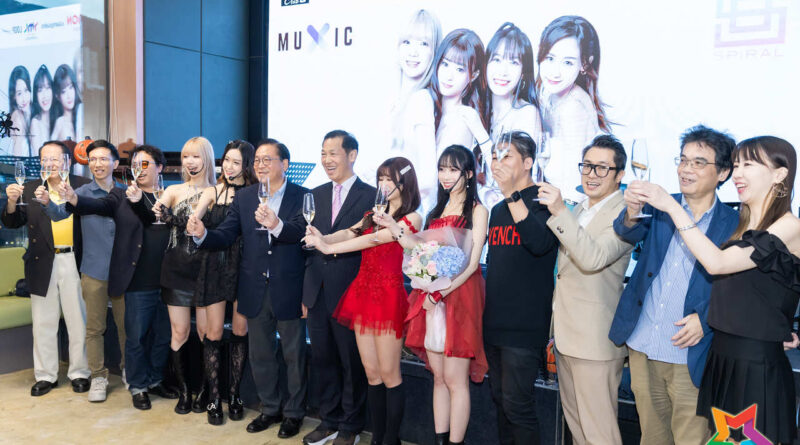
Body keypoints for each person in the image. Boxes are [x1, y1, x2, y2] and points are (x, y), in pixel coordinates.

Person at [634, 136, 800, 445]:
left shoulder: (789, 225)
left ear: (780, 174)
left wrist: (671, 206)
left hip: (755, 369)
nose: (738, 173)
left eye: (749, 164)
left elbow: (717, 264)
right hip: (723, 362)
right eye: (736, 165)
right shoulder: (744, 225)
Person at [608, 125, 738, 445]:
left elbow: (740, 287)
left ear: (723, 173)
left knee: (691, 438)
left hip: (690, 354)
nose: (685, 169)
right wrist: (632, 211)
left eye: (698, 162)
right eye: (683, 160)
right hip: (644, 343)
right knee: (651, 437)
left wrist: (707, 318)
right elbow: (627, 232)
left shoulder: (735, 223)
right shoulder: (660, 206)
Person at [188, 139, 309, 435]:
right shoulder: (245, 198)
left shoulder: (303, 195)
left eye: (268, 160)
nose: (260, 165)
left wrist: (276, 225)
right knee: (261, 354)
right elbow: (227, 233)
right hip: (254, 287)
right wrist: (204, 234)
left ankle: (294, 413)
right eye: (257, 161)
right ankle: (270, 409)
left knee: (294, 355)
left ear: (285, 164)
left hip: (289, 287)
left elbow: (301, 233)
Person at [305, 157, 422, 445]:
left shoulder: (412, 217)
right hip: (363, 293)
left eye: (389, 179)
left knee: (390, 374)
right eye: (381, 178)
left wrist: (328, 249)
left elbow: (373, 240)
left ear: (404, 183)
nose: (383, 184)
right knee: (371, 373)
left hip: (388, 295)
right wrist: (324, 237)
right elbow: (352, 231)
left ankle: (390, 440)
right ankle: (377, 437)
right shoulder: (374, 212)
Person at [377, 145, 488, 445]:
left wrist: (440, 294)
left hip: (460, 297)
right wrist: (394, 227)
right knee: (438, 377)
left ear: (468, 173)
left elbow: (472, 263)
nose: (445, 175)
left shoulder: (478, 210)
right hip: (432, 297)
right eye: (441, 169)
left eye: (453, 169)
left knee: (455, 379)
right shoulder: (435, 211)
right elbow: (417, 247)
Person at [61, 144, 177, 410]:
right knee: (135, 337)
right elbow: (97, 205)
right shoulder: (121, 195)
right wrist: (74, 199)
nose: (139, 169)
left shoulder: (171, 196)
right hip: (137, 279)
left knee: (162, 336)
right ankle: (137, 386)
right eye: (135, 164)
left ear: (160, 167)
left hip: (168, 279)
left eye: (145, 164)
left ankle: (155, 379)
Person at [535, 135, 632, 445]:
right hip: (566, 336)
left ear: (619, 175)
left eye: (602, 168)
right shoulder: (579, 209)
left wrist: (559, 210)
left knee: (599, 434)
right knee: (577, 429)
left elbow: (593, 258)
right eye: (587, 166)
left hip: (595, 341)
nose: (592, 174)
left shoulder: (626, 214)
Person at [130, 136, 215, 415]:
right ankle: (185, 392)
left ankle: (205, 391)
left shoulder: (217, 191)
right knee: (179, 332)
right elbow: (153, 213)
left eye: (196, 156)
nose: (190, 162)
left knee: (205, 334)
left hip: (205, 270)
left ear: (206, 159)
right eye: (186, 156)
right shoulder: (174, 190)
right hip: (176, 269)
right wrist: (141, 203)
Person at [301, 130, 376, 445]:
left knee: (351, 361)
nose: (326, 159)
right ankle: (328, 420)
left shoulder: (371, 196)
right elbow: (306, 243)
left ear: (352, 155)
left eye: (333, 153)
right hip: (317, 290)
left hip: (351, 291)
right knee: (323, 359)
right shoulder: (314, 194)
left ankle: (350, 426)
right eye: (323, 153)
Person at [484, 131, 558, 445]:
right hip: (494, 323)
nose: (497, 163)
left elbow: (539, 244)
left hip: (525, 326)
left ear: (528, 162)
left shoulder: (546, 201)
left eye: (506, 156)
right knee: (501, 401)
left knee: (519, 406)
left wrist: (512, 195)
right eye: (494, 156)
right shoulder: (497, 209)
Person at [2, 140, 91, 396]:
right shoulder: (29, 188)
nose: (49, 164)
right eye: (44, 159)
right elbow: (12, 221)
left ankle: (80, 372)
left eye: (55, 158)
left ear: (67, 161)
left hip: (75, 259)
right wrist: (11, 202)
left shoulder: (83, 186)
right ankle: (45, 375)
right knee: (43, 322)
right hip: (42, 261)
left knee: (79, 320)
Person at [41, 140, 126, 403]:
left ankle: (129, 371)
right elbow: (58, 215)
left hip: (123, 272)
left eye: (103, 159)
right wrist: (47, 202)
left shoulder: (126, 193)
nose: (98, 164)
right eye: (93, 160)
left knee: (126, 327)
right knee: (94, 328)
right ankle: (98, 376)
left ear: (115, 163)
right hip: (93, 269)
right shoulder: (80, 192)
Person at [187, 140, 255, 424]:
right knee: (213, 333)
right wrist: (194, 224)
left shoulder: (254, 194)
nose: (229, 167)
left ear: (246, 165)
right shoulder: (212, 191)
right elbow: (194, 221)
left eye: (236, 162)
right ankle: (215, 397)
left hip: (244, 267)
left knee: (240, 330)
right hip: (214, 265)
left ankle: (235, 394)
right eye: (227, 160)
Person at [406, 28, 491, 213]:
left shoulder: (466, 117)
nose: (449, 75)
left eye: (460, 69)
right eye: (445, 64)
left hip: (438, 212)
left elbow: (432, 181)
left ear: (474, 75)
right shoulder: (423, 101)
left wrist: (482, 135)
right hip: (417, 206)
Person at [537, 16, 607, 204]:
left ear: (585, 64)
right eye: (550, 58)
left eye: (567, 62)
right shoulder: (549, 95)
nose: (555, 72)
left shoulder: (574, 106)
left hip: (569, 207)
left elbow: (578, 187)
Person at [480, 22, 542, 208]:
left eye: (513, 62)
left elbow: (513, 179)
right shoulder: (480, 110)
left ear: (523, 72)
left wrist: (480, 135)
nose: (503, 71)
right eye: (497, 59)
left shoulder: (527, 114)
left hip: (511, 212)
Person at [389, 9, 441, 210]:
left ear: (435, 51)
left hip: (408, 214)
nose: (413, 52)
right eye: (407, 42)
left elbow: (427, 177)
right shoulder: (396, 100)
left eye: (424, 43)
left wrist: (394, 184)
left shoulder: (421, 100)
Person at [50, 64, 82, 141]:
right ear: (58, 96)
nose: (69, 95)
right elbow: (49, 146)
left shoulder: (81, 114)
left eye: (70, 87)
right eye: (63, 92)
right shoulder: (60, 122)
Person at [29, 65, 55, 154]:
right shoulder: (35, 123)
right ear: (36, 95)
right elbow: (40, 157)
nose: (45, 95)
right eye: (40, 90)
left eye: (47, 88)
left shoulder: (57, 120)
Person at [8, 65, 31, 156]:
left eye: (26, 90)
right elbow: (17, 158)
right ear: (14, 97)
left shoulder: (29, 114)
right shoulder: (17, 117)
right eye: (19, 93)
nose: (24, 99)